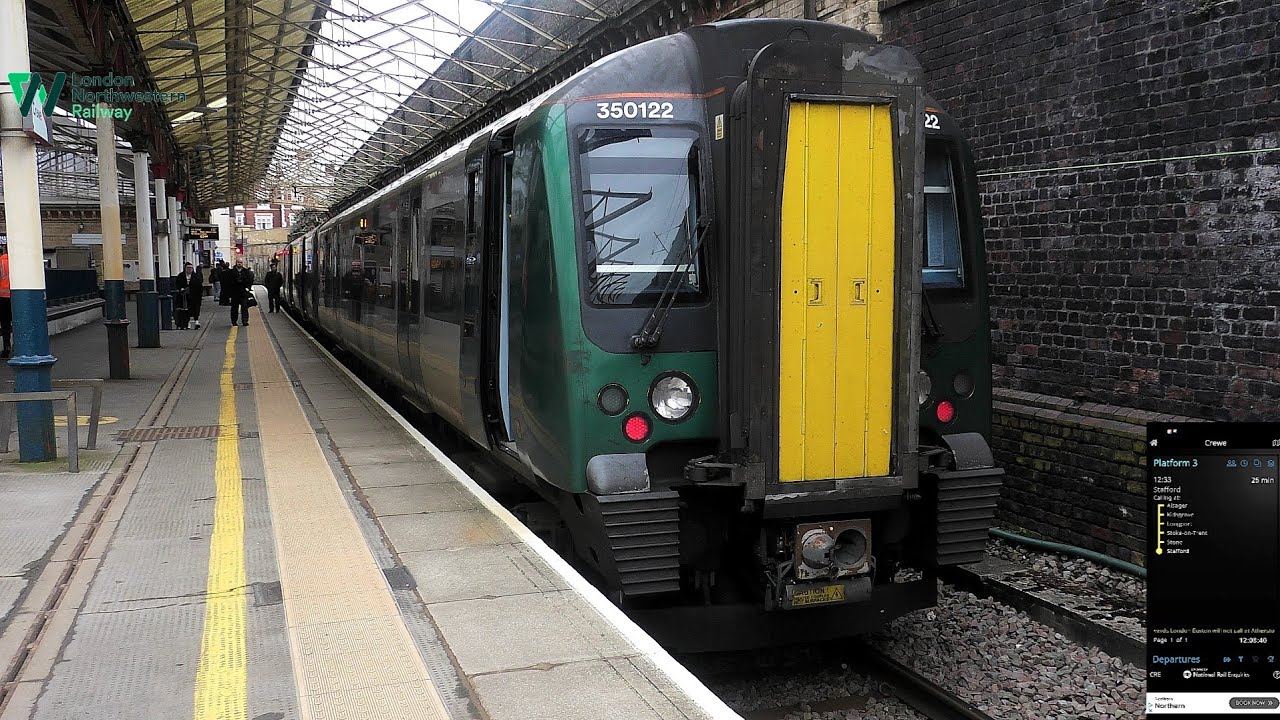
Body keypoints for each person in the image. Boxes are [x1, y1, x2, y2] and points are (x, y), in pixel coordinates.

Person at [174, 261, 204, 329]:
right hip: (184, 296)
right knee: (185, 310)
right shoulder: (181, 276)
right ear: (185, 268)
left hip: (195, 296)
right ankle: (187, 323)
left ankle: (196, 321)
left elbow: (199, 285)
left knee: (195, 309)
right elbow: (177, 284)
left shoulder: (196, 276)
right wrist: (181, 289)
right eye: (188, 268)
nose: (189, 269)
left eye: (191, 268)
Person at [226, 257, 255, 326]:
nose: (239, 264)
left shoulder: (246, 271)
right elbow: (228, 282)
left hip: (243, 292)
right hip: (234, 293)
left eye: (241, 262)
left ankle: (245, 321)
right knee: (234, 309)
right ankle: (234, 321)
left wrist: (248, 288)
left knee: (244, 308)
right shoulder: (231, 272)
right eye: (238, 262)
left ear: (243, 263)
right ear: (236, 263)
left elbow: (250, 280)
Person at [0, 245, 10, 358]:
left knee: (5, 323)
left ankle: (6, 346)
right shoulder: (17, 262)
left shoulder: (1, 262)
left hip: (2, 297)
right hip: (17, 296)